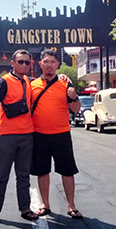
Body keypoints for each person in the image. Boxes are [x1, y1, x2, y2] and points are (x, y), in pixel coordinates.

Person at [0, 49, 39, 226]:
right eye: (20, 61)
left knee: (23, 175)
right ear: (12, 63)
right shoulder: (4, 81)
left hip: (27, 135)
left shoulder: (29, 82)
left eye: (27, 62)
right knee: (1, 175)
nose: (24, 65)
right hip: (7, 135)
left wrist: (64, 78)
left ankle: (25, 208)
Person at [30, 49, 83, 219]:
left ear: (58, 65)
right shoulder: (32, 85)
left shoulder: (65, 84)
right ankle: (45, 204)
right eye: (46, 62)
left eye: (53, 62)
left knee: (67, 171)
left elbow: (76, 109)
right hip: (39, 135)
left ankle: (71, 205)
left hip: (62, 134)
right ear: (40, 64)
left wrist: (74, 97)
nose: (49, 65)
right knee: (42, 171)